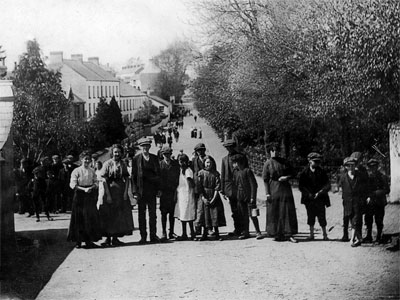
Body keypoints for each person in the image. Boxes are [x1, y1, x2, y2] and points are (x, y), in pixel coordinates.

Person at [98, 144, 134, 247]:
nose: (117, 154)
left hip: (120, 192)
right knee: (108, 214)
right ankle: (107, 238)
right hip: (109, 190)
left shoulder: (123, 164)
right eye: (115, 152)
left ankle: (115, 238)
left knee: (118, 215)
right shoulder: (107, 164)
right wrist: (108, 195)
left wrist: (126, 192)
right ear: (112, 153)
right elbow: (104, 179)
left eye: (118, 152)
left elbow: (127, 178)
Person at [262, 143, 298, 243]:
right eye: (272, 150)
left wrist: (287, 177)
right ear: (269, 152)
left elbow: (294, 173)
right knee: (275, 210)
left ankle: (289, 234)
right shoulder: (267, 163)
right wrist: (267, 193)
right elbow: (265, 179)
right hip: (273, 188)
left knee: (286, 210)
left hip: (285, 188)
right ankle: (277, 234)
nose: (275, 152)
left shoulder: (285, 162)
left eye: (276, 150)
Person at [67, 150, 101, 249]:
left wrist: (92, 187)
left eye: (88, 159)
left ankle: (89, 241)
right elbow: (73, 185)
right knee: (79, 217)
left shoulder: (92, 170)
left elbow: (96, 181)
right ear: (81, 159)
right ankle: (78, 241)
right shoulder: (76, 171)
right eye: (85, 159)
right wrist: (84, 189)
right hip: (79, 195)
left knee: (89, 217)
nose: (87, 161)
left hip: (89, 194)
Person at [132, 138, 162, 244]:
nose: (145, 148)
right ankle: (143, 237)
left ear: (149, 147)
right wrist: (135, 192)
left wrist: (158, 189)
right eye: (143, 146)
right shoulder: (136, 159)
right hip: (141, 192)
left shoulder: (154, 158)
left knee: (153, 214)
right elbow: (133, 177)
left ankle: (153, 236)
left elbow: (158, 174)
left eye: (147, 146)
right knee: (141, 215)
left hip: (152, 190)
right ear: (141, 147)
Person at [298, 152, 331, 241]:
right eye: (314, 161)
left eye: (318, 162)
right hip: (309, 199)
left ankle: (325, 235)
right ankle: (311, 234)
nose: (316, 163)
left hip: (320, 198)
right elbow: (301, 186)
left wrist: (320, 192)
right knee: (310, 216)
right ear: (309, 161)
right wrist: (308, 194)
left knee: (322, 216)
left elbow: (327, 185)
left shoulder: (322, 172)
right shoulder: (304, 173)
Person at [338, 157, 369, 247]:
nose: (351, 167)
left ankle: (352, 239)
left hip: (357, 202)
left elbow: (365, 188)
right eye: (349, 166)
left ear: (355, 166)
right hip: (347, 202)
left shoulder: (360, 176)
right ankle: (359, 238)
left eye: (353, 165)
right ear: (346, 167)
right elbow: (340, 188)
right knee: (351, 220)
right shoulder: (343, 177)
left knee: (356, 220)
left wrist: (366, 197)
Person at [232, 154, 263, 240]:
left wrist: (253, 197)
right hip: (240, 197)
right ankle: (246, 232)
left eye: (235, 163)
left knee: (253, 215)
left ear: (240, 163)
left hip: (249, 197)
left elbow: (254, 185)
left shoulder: (247, 171)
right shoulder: (235, 172)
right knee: (243, 215)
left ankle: (258, 232)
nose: (233, 165)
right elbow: (235, 185)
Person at [197, 156, 226, 241]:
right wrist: (203, 198)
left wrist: (214, 198)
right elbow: (199, 187)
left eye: (210, 162)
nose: (208, 164)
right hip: (204, 196)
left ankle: (217, 234)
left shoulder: (216, 173)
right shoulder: (201, 173)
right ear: (204, 163)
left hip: (214, 195)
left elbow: (217, 187)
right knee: (204, 215)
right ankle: (204, 234)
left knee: (215, 214)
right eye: (207, 162)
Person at [220, 139, 246, 237]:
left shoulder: (241, 157)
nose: (229, 149)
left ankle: (244, 229)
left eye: (231, 147)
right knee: (234, 210)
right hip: (229, 188)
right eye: (227, 147)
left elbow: (245, 171)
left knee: (241, 209)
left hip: (240, 186)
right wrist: (222, 189)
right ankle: (237, 229)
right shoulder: (224, 159)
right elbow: (223, 175)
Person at [364, 158, 390, 243]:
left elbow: (387, 189)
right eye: (371, 167)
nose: (373, 169)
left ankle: (379, 236)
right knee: (368, 219)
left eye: (374, 167)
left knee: (379, 220)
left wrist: (375, 193)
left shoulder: (382, 177)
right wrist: (368, 196)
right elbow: (365, 189)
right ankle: (368, 236)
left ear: (377, 167)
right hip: (370, 203)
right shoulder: (367, 178)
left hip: (379, 202)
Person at [192, 143, 214, 236]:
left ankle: (209, 228)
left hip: (208, 187)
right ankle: (198, 228)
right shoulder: (194, 161)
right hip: (197, 188)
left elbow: (214, 173)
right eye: (198, 151)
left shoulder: (209, 159)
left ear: (204, 150)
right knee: (198, 209)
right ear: (196, 152)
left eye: (202, 150)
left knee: (208, 208)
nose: (200, 152)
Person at [159, 146, 180, 241]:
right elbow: (158, 179)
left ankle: (171, 232)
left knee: (172, 213)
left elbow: (178, 178)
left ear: (171, 154)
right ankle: (164, 232)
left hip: (172, 191)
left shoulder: (175, 164)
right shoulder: (159, 165)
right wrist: (158, 190)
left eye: (168, 154)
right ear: (162, 155)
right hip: (163, 193)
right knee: (163, 213)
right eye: (165, 154)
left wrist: (176, 190)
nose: (167, 156)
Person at [174, 154, 197, 240]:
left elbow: (191, 183)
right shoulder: (180, 170)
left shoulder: (188, 171)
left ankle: (192, 233)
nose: (182, 163)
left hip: (188, 194)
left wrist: (189, 180)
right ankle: (184, 233)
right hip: (181, 194)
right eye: (180, 161)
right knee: (182, 214)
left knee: (189, 213)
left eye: (184, 161)